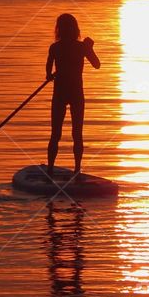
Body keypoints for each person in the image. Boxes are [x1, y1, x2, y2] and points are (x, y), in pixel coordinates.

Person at [45, 13, 100, 179]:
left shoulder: (55, 47)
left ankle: (50, 170)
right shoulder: (81, 47)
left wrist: (50, 75)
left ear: (59, 29)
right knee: (77, 133)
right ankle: (77, 169)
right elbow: (97, 65)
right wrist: (89, 48)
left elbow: (48, 71)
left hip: (60, 93)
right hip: (76, 94)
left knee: (56, 133)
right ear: (76, 29)